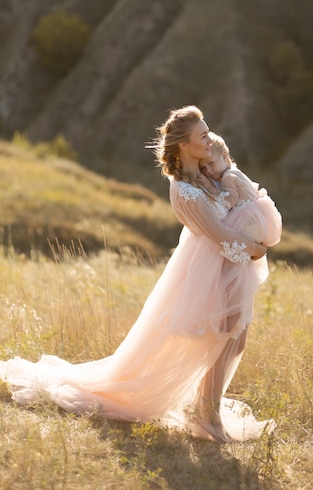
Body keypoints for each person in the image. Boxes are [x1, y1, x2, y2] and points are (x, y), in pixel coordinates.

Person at [0, 105, 276, 443]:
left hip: (228, 266)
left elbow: (234, 203)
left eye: (207, 133)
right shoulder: (183, 190)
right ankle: (207, 416)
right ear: (184, 145)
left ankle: (204, 410)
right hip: (210, 267)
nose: (209, 139)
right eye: (202, 136)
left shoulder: (207, 175)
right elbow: (218, 234)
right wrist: (255, 248)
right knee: (223, 337)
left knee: (234, 338)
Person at [200, 132, 282, 247]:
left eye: (211, 163)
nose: (208, 170)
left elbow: (230, 201)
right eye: (203, 168)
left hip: (247, 224)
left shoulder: (228, 177)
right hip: (258, 222)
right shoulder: (235, 171)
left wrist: (210, 188)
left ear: (224, 156)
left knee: (223, 243)